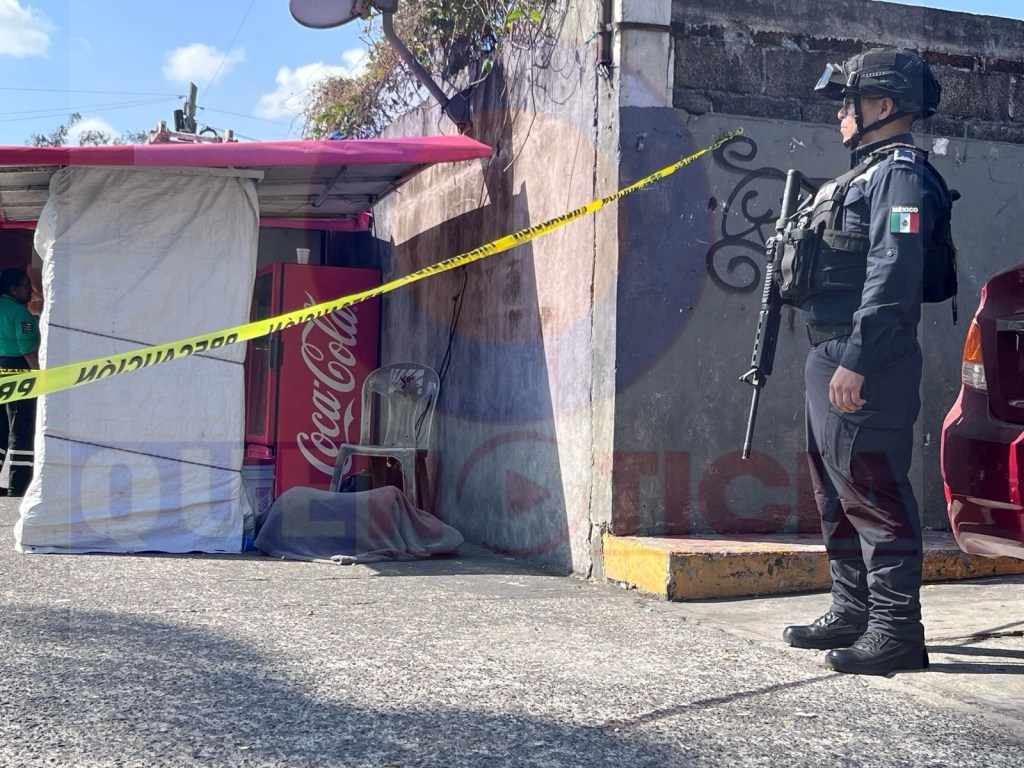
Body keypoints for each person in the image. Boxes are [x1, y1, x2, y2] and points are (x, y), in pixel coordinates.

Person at [780, 49, 952, 675]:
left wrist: (857, 358)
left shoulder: (901, 177)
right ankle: (853, 611)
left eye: (848, 103)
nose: (840, 117)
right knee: (835, 491)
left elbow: (895, 273)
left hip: (867, 356)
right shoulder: (865, 174)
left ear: (882, 106)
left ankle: (897, 630)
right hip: (832, 351)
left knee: (874, 490)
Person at [0, 267, 40, 496]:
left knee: (0, 427)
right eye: (27, 285)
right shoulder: (19, 313)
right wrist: (39, 376)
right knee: (21, 426)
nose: (31, 290)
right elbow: (27, 347)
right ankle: (19, 484)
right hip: (18, 369)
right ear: (14, 289)